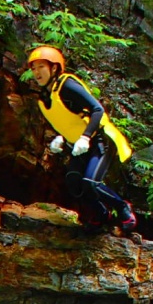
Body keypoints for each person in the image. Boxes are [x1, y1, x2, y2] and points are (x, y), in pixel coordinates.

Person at [26, 45, 137, 233]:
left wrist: (85, 137)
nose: (37, 72)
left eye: (41, 67)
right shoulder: (45, 98)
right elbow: (69, 119)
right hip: (80, 146)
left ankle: (122, 207)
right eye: (33, 68)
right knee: (73, 181)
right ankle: (101, 214)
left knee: (91, 182)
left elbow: (97, 109)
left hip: (99, 139)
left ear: (54, 68)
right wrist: (59, 138)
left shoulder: (67, 85)